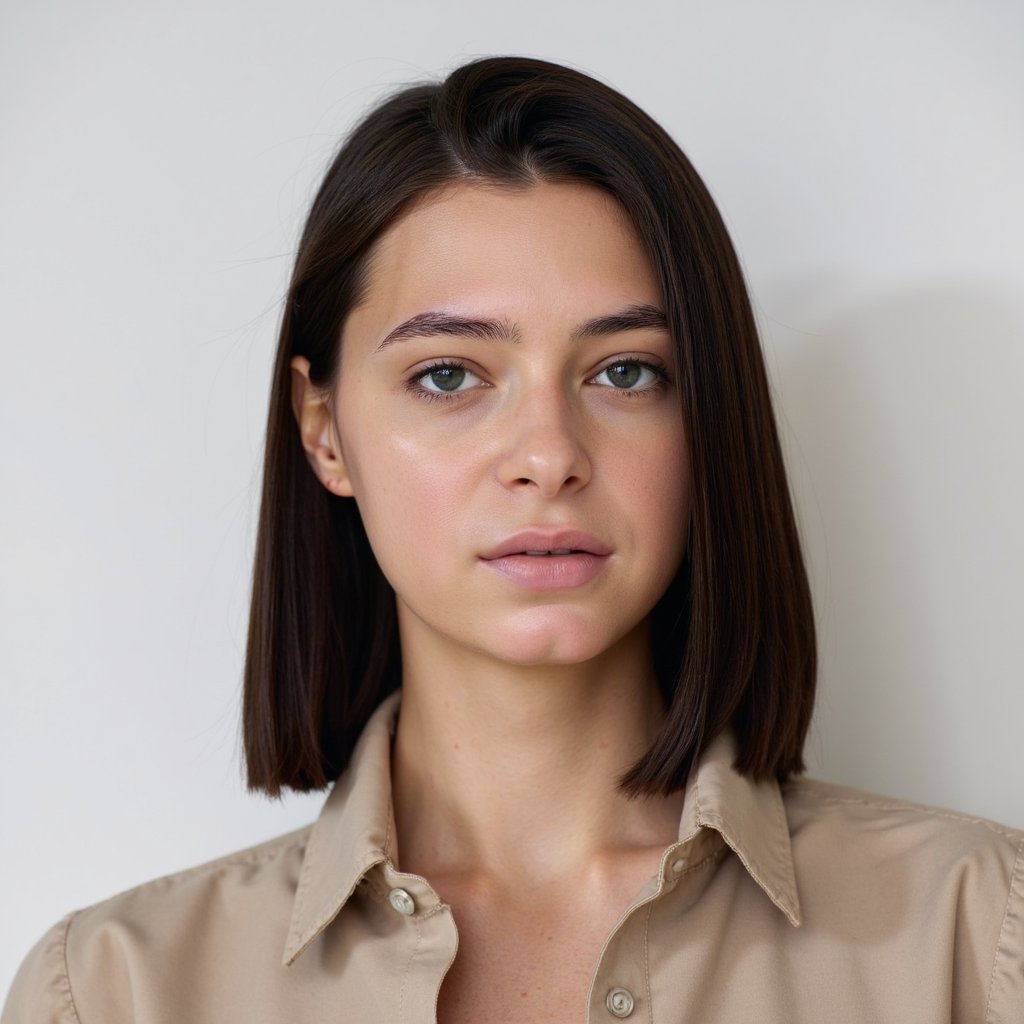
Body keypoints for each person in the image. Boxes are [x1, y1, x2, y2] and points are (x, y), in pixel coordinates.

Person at [3, 55, 1021, 1024]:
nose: (547, 456)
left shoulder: (979, 936)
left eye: (625, 371)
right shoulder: (110, 992)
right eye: (448, 374)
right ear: (324, 432)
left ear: (709, 418)